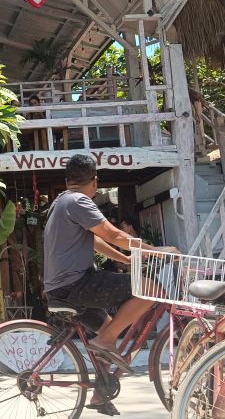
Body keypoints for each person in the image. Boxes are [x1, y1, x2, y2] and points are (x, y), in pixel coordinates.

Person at [43, 155, 175, 391]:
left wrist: (125, 258)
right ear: (95, 181)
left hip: (61, 289)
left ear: (67, 180)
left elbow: (94, 239)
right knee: (151, 289)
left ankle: (101, 392)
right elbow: (114, 235)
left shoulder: (62, 202)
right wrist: (156, 251)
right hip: (77, 284)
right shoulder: (79, 202)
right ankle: (105, 340)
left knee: (108, 328)